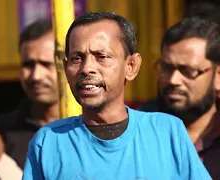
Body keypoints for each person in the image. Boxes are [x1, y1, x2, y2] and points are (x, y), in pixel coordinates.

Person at [23, 12, 210, 179]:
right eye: (76, 58)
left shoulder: (167, 132)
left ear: (131, 66)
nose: (87, 68)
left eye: (102, 56)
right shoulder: (48, 142)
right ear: (65, 68)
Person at [140, 17, 220, 178]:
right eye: (166, 68)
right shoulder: (138, 131)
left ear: (218, 76)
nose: (173, 80)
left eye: (188, 70)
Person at [0, 19, 59, 168]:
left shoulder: (94, 126)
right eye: (28, 65)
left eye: (46, 64)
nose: (36, 76)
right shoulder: (0, 132)